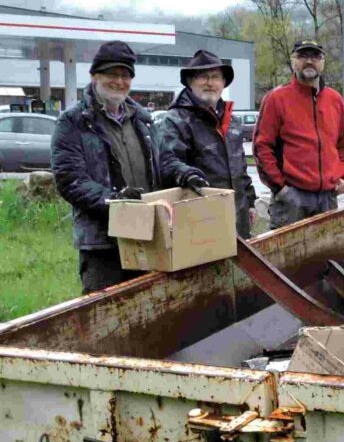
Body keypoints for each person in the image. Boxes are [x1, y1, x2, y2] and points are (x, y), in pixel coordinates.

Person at [51, 40, 160, 293]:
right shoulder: (73, 122)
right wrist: (114, 200)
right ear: (94, 76)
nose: (119, 82)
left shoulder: (143, 120)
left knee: (150, 315)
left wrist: (182, 173)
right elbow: (70, 180)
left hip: (147, 237)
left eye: (125, 75)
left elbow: (162, 162)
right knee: (104, 318)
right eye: (111, 74)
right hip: (102, 244)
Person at [253, 40, 344, 229]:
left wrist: (342, 175)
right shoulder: (276, 98)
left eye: (315, 56)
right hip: (292, 199)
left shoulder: (335, 100)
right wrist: (280, 188)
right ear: (293, 62)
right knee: (286, 257)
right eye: (303, 56)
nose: (309, 61)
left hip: (327, 198)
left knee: (327, 254)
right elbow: (262, 147)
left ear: (323, 62)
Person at [157, 50, 257, 238]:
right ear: (190, 81)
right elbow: (167, 166)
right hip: (199, 220)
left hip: (238, 217)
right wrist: (189, 177)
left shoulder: (232, 121)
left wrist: (250, 202)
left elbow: (240, 168)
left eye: (216, 77)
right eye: (203, 77)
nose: (210, 83)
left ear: (223, 83)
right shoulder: (176, 121)